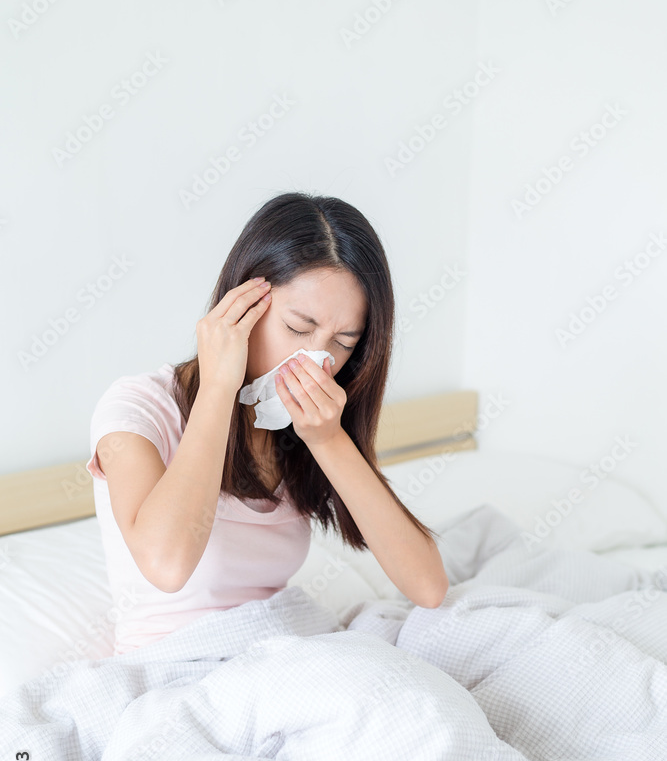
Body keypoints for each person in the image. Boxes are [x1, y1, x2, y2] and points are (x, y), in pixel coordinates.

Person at [86, 191, 449, 655]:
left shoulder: (307, 431)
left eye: (342, 341)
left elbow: (428, 588)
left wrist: (328, 440)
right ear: (241, 305)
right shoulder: (139, 408)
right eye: (298, 328)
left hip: (278, 653)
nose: (316, 363)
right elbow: (168, 565)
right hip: (175, 667)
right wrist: (219, 386)